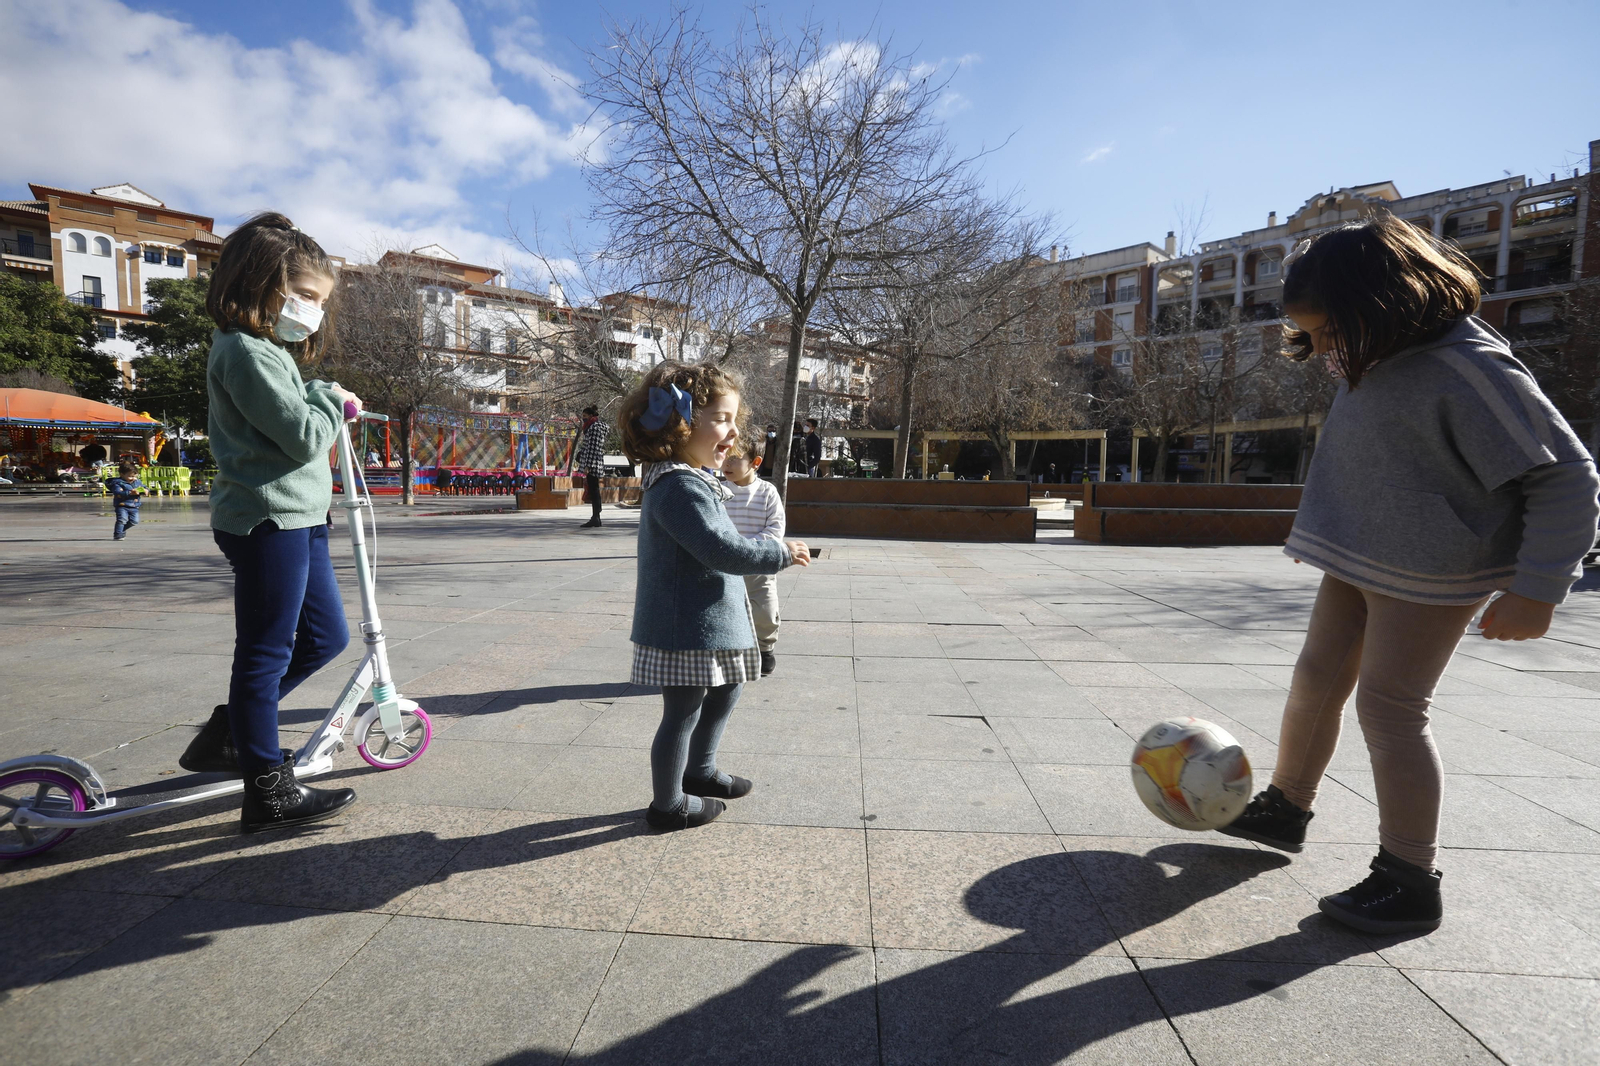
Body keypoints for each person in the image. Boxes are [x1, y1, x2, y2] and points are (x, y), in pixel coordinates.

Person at [1215, 214, 1600, 935]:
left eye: (1332, 331)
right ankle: (1286, 807)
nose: (1324, 350)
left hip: (1433, 569)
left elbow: (1567, 477)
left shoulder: (1470, 368)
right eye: (1313, 335)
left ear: (1388, 303)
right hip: (1364, 554)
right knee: (1315, 679)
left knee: (1390, 709)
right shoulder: (1372, 352)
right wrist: (1326, 531)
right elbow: (1374, 454)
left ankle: (1409, 878)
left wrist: (1539, 588)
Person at [177, 212, 360, 834]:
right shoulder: (244, 351)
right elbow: (304, 434)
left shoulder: (270, 351)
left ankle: (230, 730)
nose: (314, 310)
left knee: (325, 638)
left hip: (300, 515)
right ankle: (266, 789)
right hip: (266, 518)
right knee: (264, 653)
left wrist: (320, 391)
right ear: (263, 284)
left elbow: (298, 419)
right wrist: (331, 397)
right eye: (306, 294)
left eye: (320, 300)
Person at [620, 360, 811, 831]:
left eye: (733, 419)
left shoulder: (693, 478)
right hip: (686, 624)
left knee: (729, 687)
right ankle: (668, 805)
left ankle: (700, 771)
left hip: (708, 621)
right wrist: (778, 552)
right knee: (682, 711)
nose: (733, 432)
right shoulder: (678, 486)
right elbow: (721, 549)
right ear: (680, 424)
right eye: (722, 419)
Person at [721, 442, 785, 677]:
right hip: (725, 565)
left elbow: (775, 529)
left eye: (734, 458)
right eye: (725, 456)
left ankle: (765, 648)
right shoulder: (718, 491)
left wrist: (747, 547)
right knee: (724, 610)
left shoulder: (767, 492)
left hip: (759, 566)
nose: (726, 464)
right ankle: (727, 650)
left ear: (755, 463)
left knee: (765, 611)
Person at [575, 404, 609, 528]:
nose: (583, 418)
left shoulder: (594, 428)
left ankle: (596, 517)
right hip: (594, 462)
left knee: (594, 490)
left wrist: (588, 466)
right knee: (594, 489)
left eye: (585, 415)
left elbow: (592, 448)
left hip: (593, 463)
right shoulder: (593, 427)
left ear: (590, 415)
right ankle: (596, 516)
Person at [107, 460, 145, 540]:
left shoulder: (137, 482)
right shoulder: (118, 483)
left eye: (135, 476)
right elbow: (117, 492)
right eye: (130, 476)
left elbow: (143, 487)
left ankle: (121, 530)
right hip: (122, 505)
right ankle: (118, 534)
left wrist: (145, 490)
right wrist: (130, 493)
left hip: (134, 505)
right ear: (122, 474)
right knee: (122, 520)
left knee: (134, 521)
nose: (133, 478)